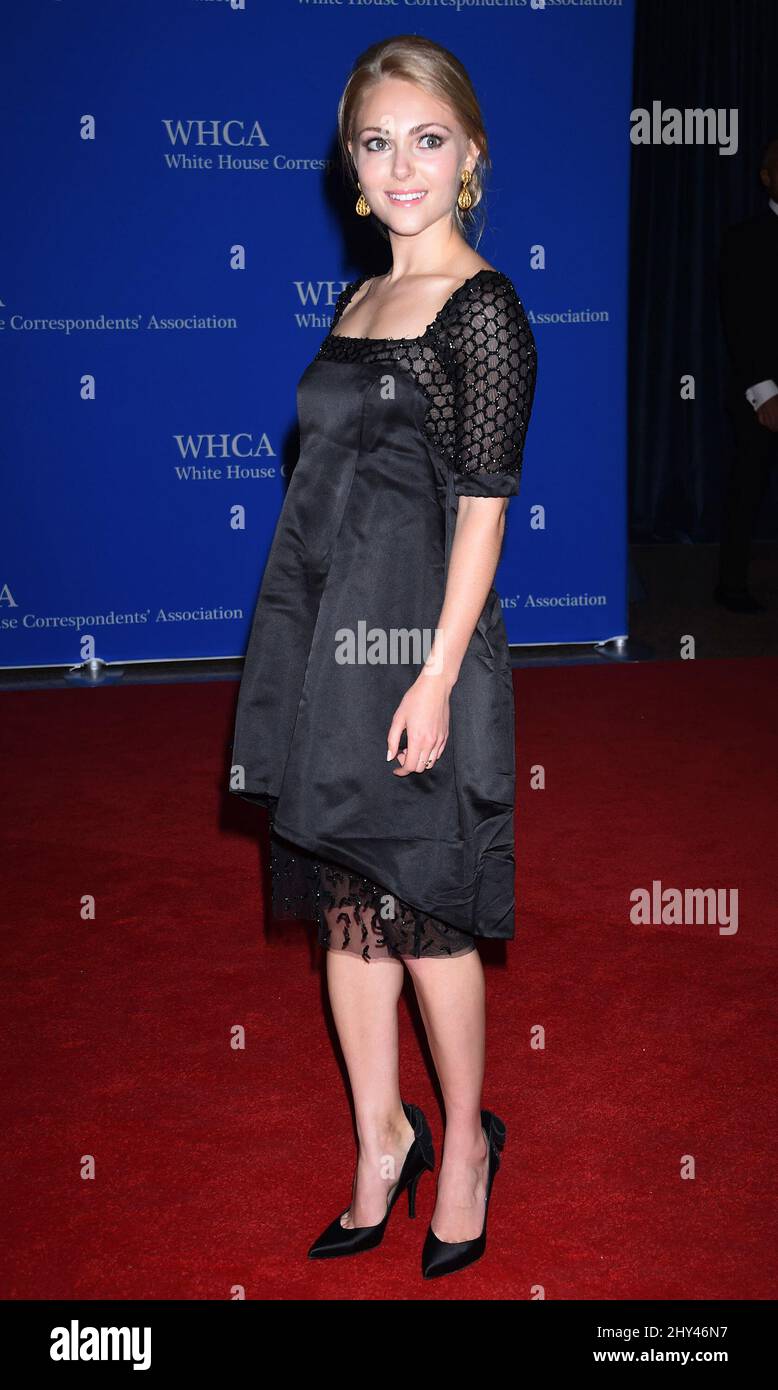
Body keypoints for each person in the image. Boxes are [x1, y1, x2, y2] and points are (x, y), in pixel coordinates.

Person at [229, 33, 537, 1278]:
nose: (401, 165)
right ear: (350, 166)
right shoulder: (357, 301)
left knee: (426, 914)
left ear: (468, 155)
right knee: (344, 911)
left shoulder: (486, 310)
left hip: (420, 644)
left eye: (426, 139)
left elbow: (483, 506)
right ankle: (380, 1136)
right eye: (376, 142)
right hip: (325, 644)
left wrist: (434, 671)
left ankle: (461, 1141)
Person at [716, 136, 778, 613]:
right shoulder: (744, 238)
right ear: (766, 176)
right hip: (764, 390)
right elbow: (740, 320)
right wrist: (764, 392)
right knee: (748, 486)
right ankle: (731, 586)